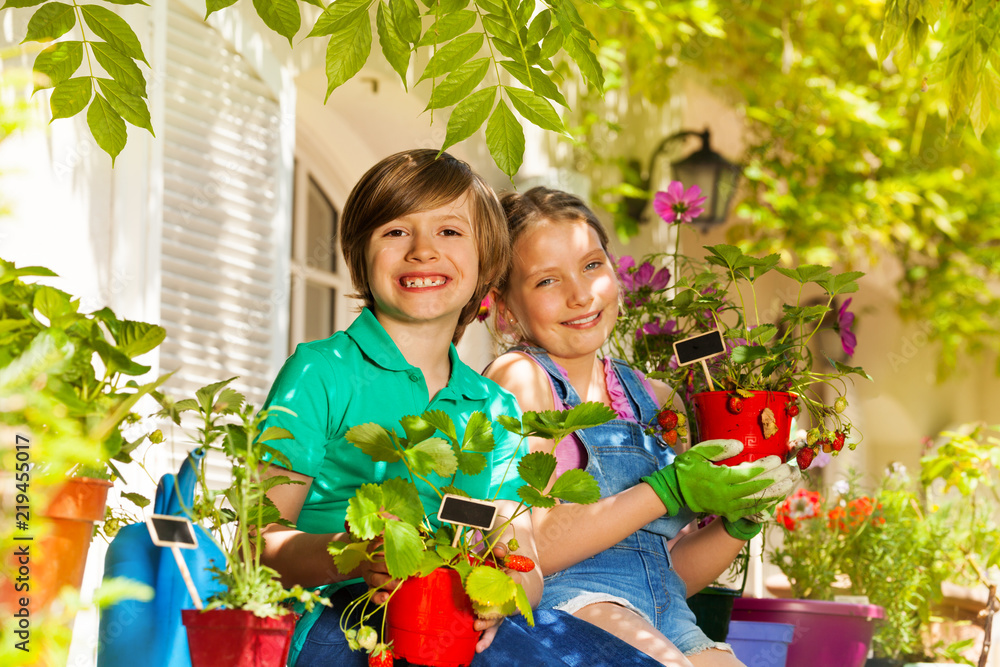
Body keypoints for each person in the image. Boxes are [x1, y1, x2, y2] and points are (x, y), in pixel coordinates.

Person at [256, 151, 665, 667]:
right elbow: (257, 547)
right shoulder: (320, 373)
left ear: (485, 263)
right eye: (395, 232)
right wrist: (356, 554)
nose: (424, 251)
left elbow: (526, 564)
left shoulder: (491, 408)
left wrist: (503, 587)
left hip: (458, 617)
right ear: (361, 254)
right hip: (343, 618)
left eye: (450, 232)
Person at [484, 187, 798, 666]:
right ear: (505, 307)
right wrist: (667, 489)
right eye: (547, 281)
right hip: (567, 605)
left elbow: (664, 571)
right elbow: (527, 550)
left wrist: (740, 522)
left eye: (592, 265)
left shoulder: (655, 398)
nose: (580, 293)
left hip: (664, 612)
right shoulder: (523, 379)